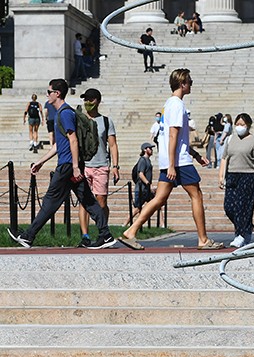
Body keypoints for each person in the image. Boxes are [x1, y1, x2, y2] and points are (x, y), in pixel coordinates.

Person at [118, 69, 224, 251]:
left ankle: (130, 231)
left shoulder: (169, 104)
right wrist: (174, 165)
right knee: (196, 195)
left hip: (172, 160)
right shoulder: (176, 105)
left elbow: (178, 138)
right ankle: (203, 239)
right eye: (189, 81)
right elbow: (173, 137)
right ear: (183, 84)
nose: (191, 83)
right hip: (178, 162)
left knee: (159, 199)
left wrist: (196, 155)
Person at [7, 79, 117, 250]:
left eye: (49, 91)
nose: (47, 95)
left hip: (67, 166)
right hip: (71, 165)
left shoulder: (64, 113)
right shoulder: (63, 113)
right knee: (88, 201)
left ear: (57, 93)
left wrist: (74, 166)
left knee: (51, 201)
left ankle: (28, 236)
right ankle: (106, 235)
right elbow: (59, 144)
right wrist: (41, 161)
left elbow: (73, 140)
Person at [76, 89, 120, 248]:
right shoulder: (79, 120)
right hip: (84, 166)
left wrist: (115, 166)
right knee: (84, 202)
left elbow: (113, 145)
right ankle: (85, 235)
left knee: (101, 201)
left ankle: (103, 233)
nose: (87, 102)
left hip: (102, 165)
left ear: (98, 101)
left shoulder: (106, 121)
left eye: (91, 99)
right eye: (85, 99)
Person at [218, 112, 254, 248]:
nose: (239, 127)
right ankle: (246, 227)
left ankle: (240, 235)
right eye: (237, 124)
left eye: (242, 124)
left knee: (242, 207)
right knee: (229, 207)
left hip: (248, 176)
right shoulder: (230, 139)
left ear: (248, 125)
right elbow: (224, 158)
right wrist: (221, 176)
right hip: (232, 175)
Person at [131, 142, 155, 220]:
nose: (151, 150)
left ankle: (162, 224)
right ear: (145, 150)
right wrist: (149, 184)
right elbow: (141, 174)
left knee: (156, 205)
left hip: (146, 189)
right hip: (142, 188)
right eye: (150, 148)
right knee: (137, 209)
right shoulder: (142, 160)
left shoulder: (148, 160)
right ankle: (125, 223)